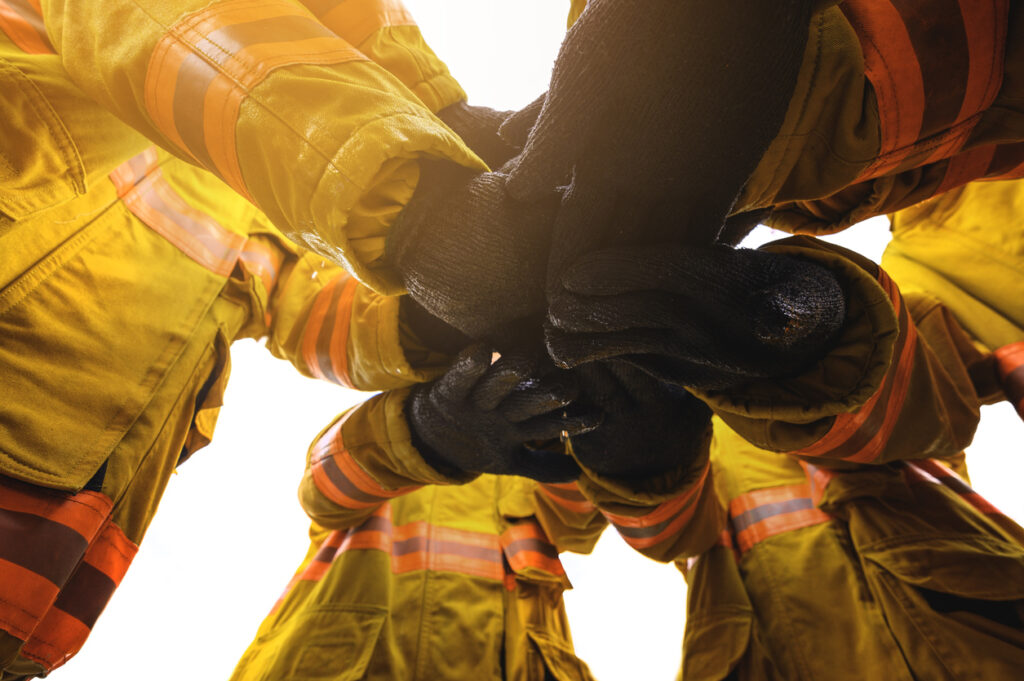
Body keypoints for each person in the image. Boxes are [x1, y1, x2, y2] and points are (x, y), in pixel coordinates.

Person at [0, 3, 537, 676]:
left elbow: (314, 312)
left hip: (31, 576)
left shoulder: (260, 216)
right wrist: (424, 190)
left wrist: (440, 315)